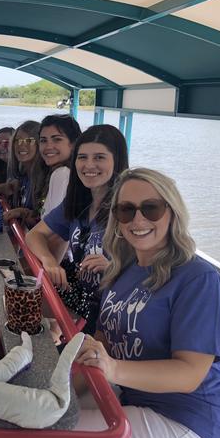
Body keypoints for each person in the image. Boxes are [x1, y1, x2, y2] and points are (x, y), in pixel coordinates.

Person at [68, 168, 220, 438]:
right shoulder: (123, 272)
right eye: (126, 210)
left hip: (191, 423)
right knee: (38, 420)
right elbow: (103, 343)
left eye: (151, 208)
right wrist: (57, 387)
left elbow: (189, 373)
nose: (138, 219)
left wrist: (113, 368)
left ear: (172, 212)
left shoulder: (197, 278)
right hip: (135, 402)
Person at [26, 124, 128, 333]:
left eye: (99, 157)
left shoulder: (128, 209)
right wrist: (49, 260)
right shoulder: (78, 203)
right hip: (84, 307)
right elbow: (35, 235)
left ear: (116, 160)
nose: (89, 165)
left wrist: (113, 268)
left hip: (115, 316)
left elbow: (153, 269)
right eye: (82, 157)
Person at [0, 121, 40, 227]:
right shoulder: (23, 174)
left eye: (29, 141)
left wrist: (22, 212)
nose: (22, 145)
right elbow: (11, 186)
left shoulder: (48, 179)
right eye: (17, 141)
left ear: (40, 144)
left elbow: (49, 223)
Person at [32, 114, 80, 217]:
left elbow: (54, 229)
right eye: (43, 140)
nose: (48, 146)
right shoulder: (64, 172)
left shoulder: (62, 173)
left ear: (73, 144)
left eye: (57, 139)